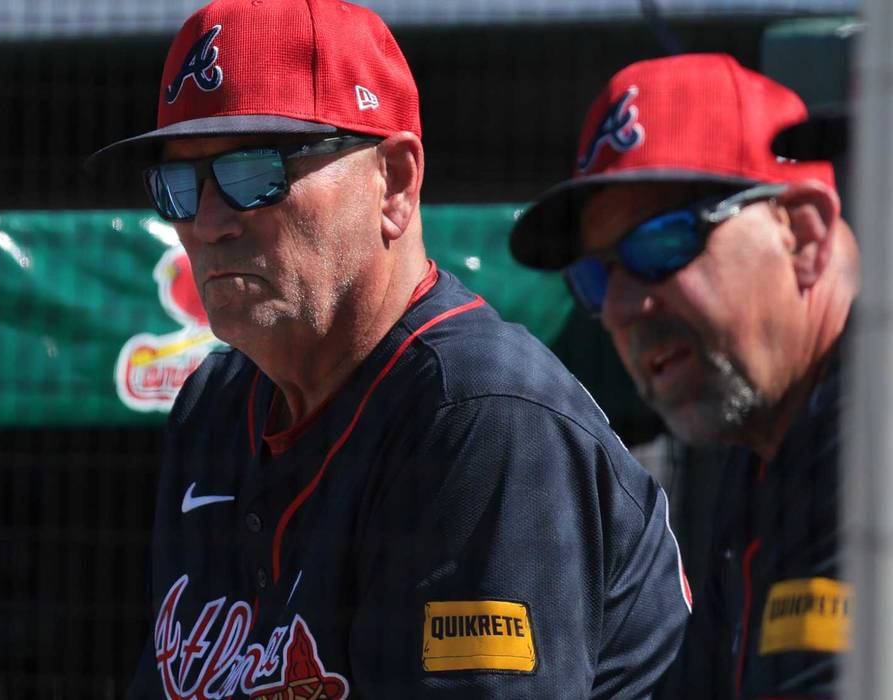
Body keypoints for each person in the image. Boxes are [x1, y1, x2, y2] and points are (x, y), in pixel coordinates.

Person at [89, 1, 691, 696]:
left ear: (395, 182)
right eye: (179, 185)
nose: (210, 221)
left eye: (256, 172)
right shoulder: (216, 406)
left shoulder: (482, 416)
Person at [508, 53, 858, 698]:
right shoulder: (763, 445)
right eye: (596, 276)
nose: (619, 308)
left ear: (803, 237)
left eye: (662, 244)